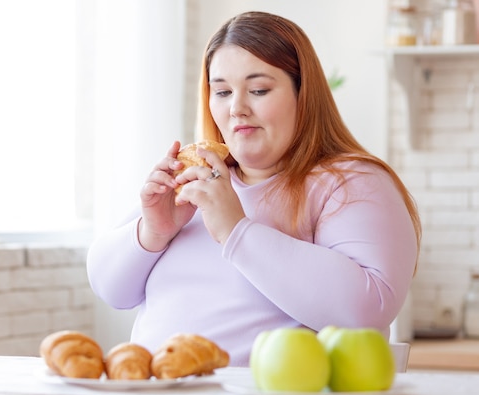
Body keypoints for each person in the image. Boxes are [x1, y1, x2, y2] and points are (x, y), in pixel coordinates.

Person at [86, 11, 421, 366]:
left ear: (303, 94)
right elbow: (111, 289)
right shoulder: (196, 180)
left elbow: (368, 311)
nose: (237, 108)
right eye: (223, 92)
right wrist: (153, 231)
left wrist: (237, 230)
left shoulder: (352, 182)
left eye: (258, 90)